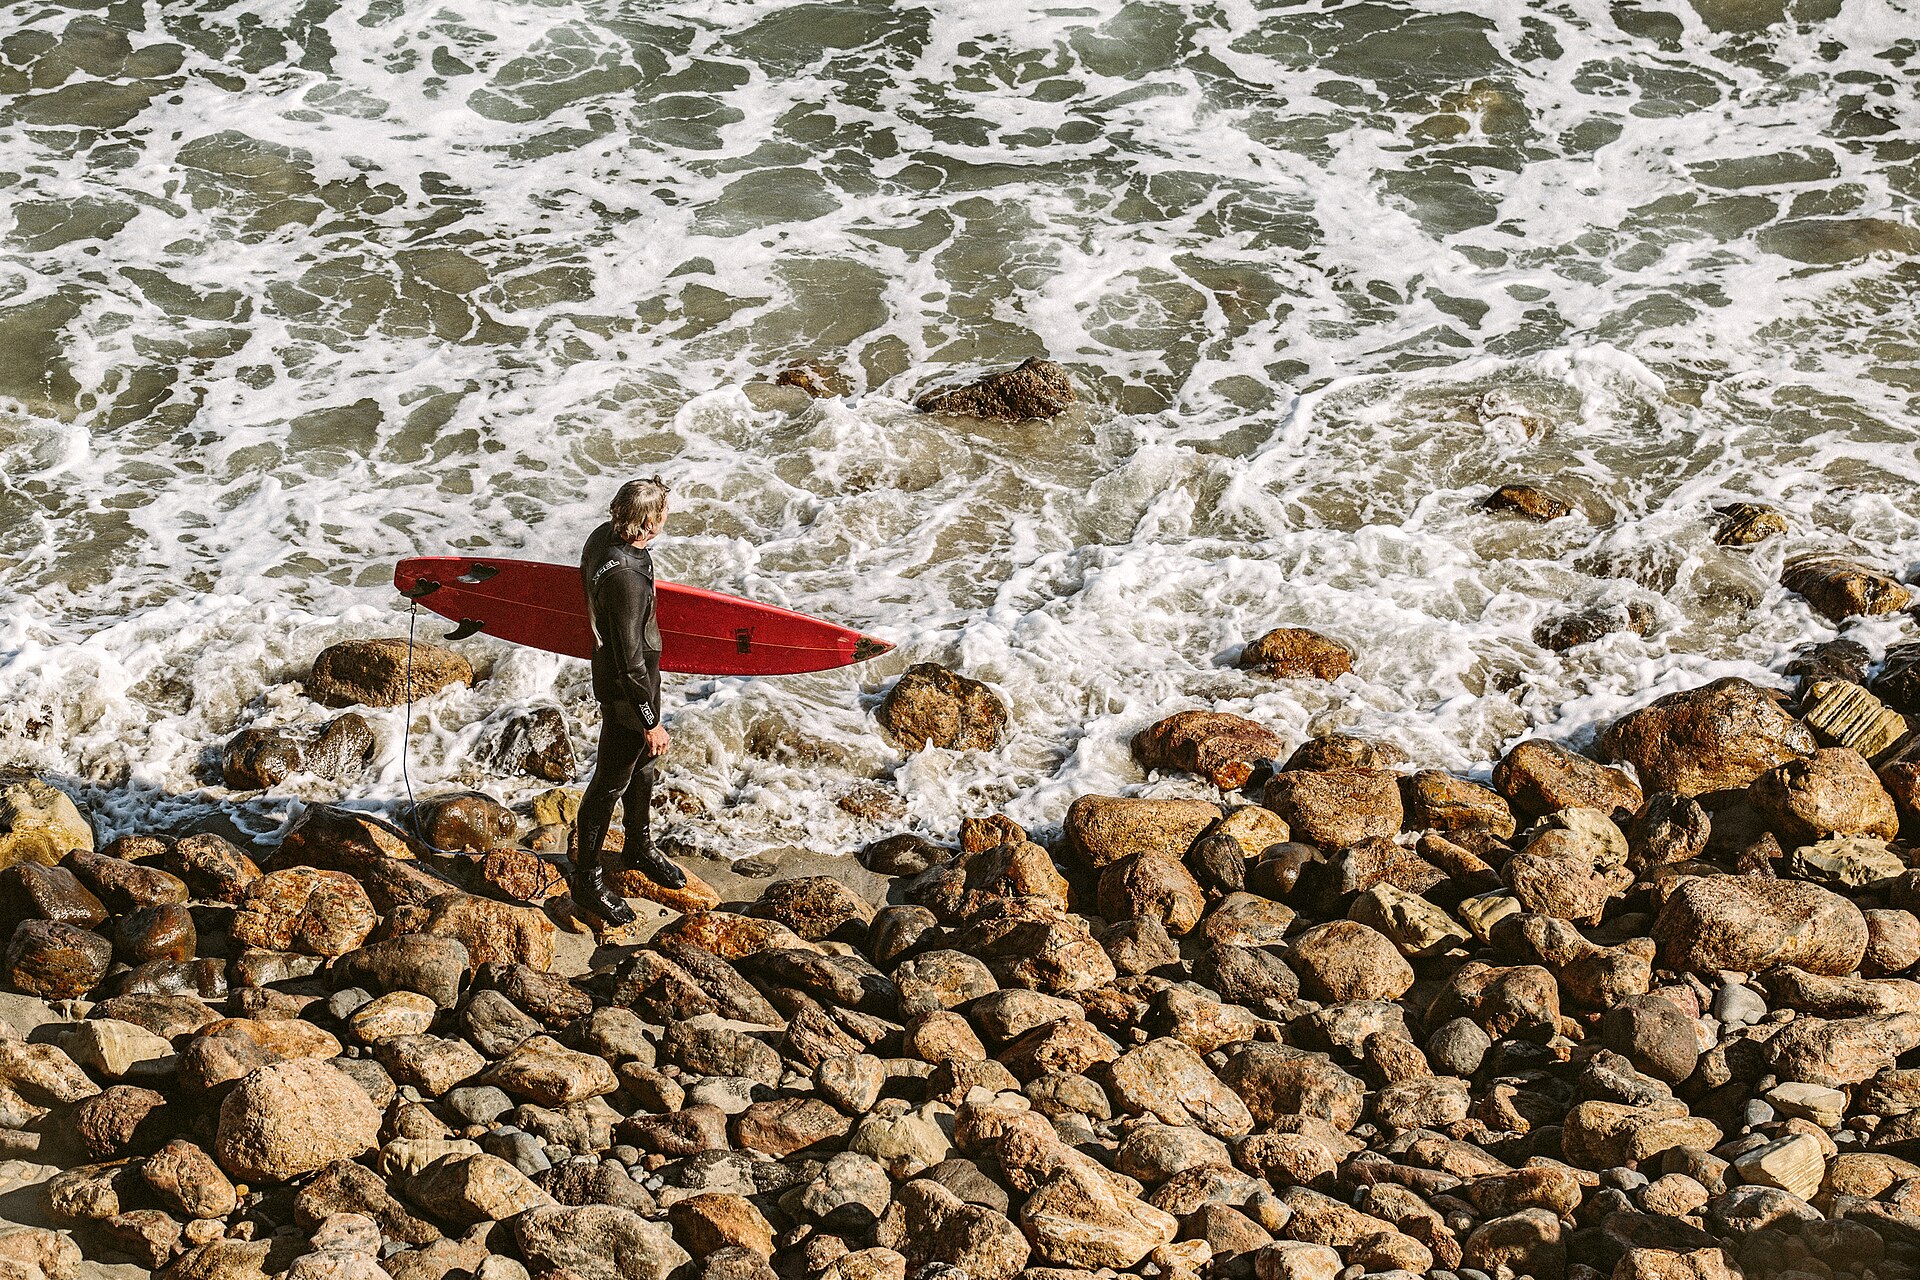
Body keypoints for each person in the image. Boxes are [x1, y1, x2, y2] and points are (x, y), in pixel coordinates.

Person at [572, 476, 689, 927]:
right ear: (650, 521)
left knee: (642, 767)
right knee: (608, 784)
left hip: (630, 680)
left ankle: (638, 845)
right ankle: (587, 876)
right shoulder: (626, 579)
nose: (665, 519)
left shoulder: (603, 538)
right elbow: (629, 662)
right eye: (662, 513)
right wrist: (649, 720)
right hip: (628, 692)